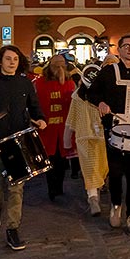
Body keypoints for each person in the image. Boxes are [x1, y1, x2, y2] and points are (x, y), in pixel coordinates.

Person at [0, 45, 47, 250]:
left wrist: (39, 119)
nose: (12, 62)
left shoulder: (25, 83)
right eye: (8, 59)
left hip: (19, 143)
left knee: (16, 189)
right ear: (0, 62)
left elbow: (35, 107)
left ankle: (12, 229)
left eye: (15, 59)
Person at [87, 34, 130, 233]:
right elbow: (90, 92)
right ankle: (116, 206)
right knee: (115, 173)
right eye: (126, 46)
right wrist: (100, 102)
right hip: (114, 129)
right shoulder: (109, 71)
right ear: (119, 49)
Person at [63, 64, 108, 217]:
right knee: (89, 168)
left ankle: (97, 191)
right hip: (84, 137)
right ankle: (93, 197)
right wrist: (67, 139)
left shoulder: (104, 95)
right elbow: (71, 119)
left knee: (101, 167)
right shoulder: (77, 97)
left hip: (102, 137)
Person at [34, 54, 76, 201]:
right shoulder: (40, 83)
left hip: (64, 128)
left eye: (62, 64)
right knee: (50, 159)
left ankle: (59, 187)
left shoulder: (70, 82)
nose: (59, 68)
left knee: (62, 160)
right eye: (56, 64)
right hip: (47, 129)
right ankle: (52, 188)